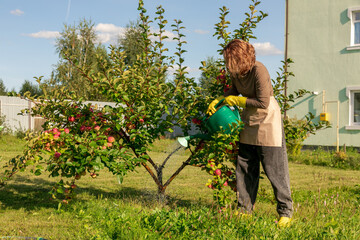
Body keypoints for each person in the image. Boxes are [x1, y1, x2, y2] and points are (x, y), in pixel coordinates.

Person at [207, 39, 293, 227]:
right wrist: (220, 101)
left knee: (275, 170)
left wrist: (237, 101)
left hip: (267, 119)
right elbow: (233, 92)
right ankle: (244, 209)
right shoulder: (236, 73)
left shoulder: (258, 69)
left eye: (230, 59)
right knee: (245, 168)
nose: (228, 64)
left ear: (241, 57)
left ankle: (285, 212)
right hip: (249, 120)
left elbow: (262, 102)